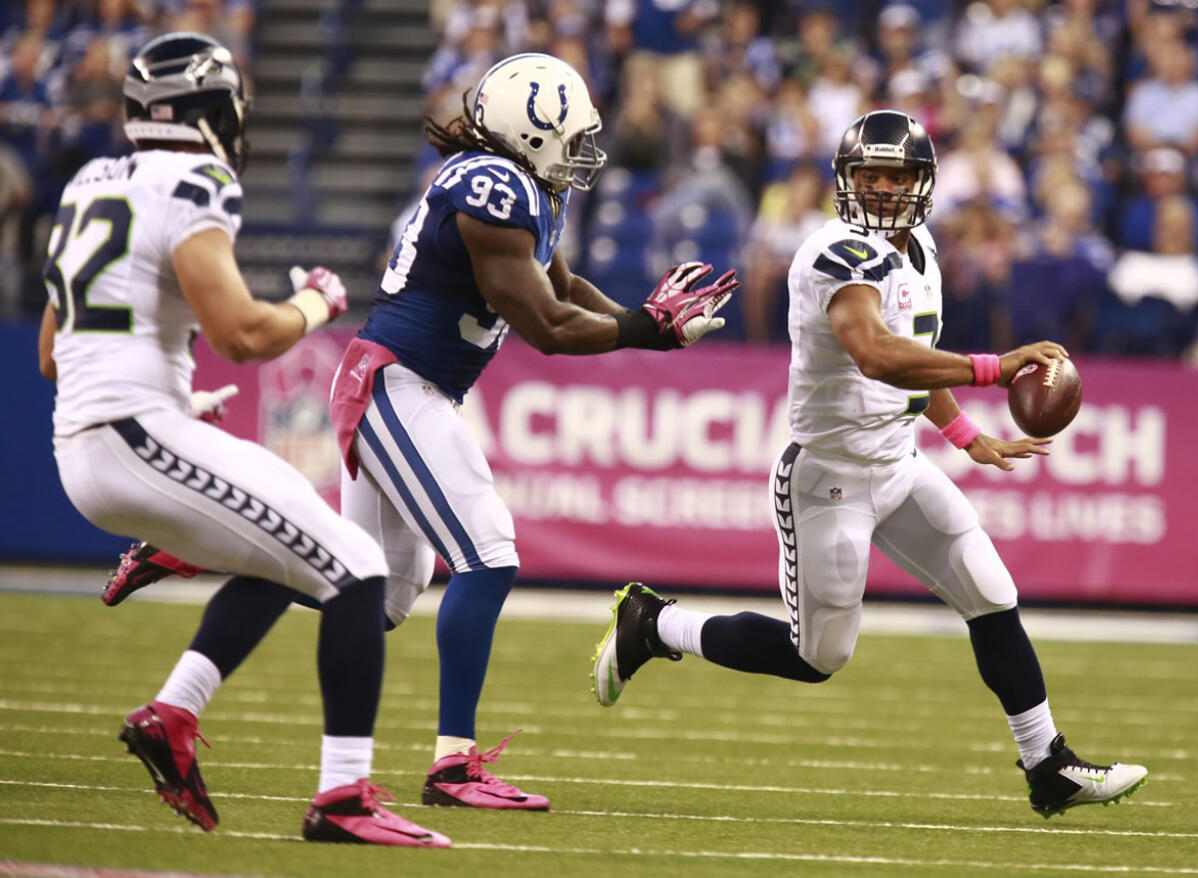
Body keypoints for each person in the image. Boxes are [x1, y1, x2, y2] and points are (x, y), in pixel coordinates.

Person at [98, 51, 738, 812]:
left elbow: (564, 289)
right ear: (528, 132)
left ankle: (194, 548)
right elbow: (548, 327)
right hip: (396, 382)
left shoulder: (521, 186)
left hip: (406, 383)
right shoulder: (490, 187)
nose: (582, 153)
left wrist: (649, 323)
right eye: (570, 135)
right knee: (489, 552)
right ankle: (454, 765)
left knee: (384, 595)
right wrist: (644, 329)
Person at [592, 110, 1148, 819]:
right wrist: (996, 367)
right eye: (870, 176)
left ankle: (1048, 763)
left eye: (898, 176)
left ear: (923, 183)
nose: (884, 190)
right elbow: (876, 354)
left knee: (990, 590)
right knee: (818, 657)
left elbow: (916, 357)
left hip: (897, 461)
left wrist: (967, 435)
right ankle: (654, 624)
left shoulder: (921, 250)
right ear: (846, 182)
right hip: (829, 478)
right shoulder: (838, 254)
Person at [39, 32, 448, 847]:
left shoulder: (90, 182)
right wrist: (316, 303)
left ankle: (172, 713)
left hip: (100, 438)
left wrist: (172, 402)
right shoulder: (195, 177)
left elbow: (53, 353)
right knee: (360, 568)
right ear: (206, 112)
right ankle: (342, 799)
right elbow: (242, 334)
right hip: (131, 438)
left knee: (288, 546)